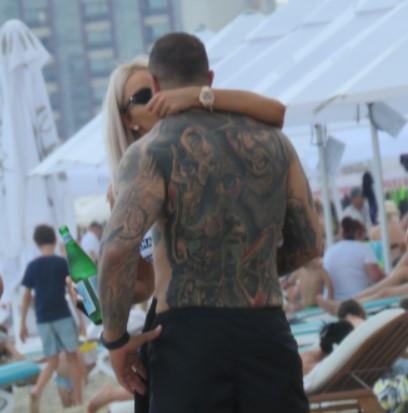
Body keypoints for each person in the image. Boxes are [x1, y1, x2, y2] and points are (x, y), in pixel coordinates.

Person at [98, 32, 321, 413]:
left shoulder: (150, 151)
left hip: (187, 340)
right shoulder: (274, 142)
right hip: (265, 330)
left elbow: (116, 251)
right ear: (210, 79)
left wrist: (115, 340)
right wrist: (246, 266)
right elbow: (309, 243)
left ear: (155, 85)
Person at [20, 225, 83, 413]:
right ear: (55, 240)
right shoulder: (61, 263)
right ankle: (78, 399)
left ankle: (37, 390)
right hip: (62, 315)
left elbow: (26, 297)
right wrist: (81, 319)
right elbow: (73, 293)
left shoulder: (32, 266)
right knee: (72, 357)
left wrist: (22, 324)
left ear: (36, 243)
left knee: (52, 361)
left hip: (42, 319)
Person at [318, 228, 408, 314]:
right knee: (399, 274)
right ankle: (343, 303)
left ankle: (344, 306)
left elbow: (377, 277)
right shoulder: (362, 248)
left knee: (386, 292)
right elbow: (379, 276)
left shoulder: (333, 250)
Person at [323, 217, 384, 300]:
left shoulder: (329, 250)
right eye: (364, 237)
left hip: (335, 299)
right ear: (358, 233)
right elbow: (376, 277)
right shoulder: (363, 249)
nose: (364, 239)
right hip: (361, 298)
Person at [370, 200, 406, 265]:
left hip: (382, 263)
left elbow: (374, 252)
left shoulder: (374, 231)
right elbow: (404, 247)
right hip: (399, 261)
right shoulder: (400, 228)